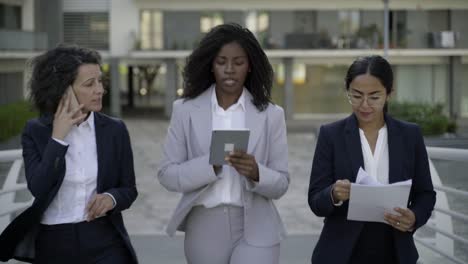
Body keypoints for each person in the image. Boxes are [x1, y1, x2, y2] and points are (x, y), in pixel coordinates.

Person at [157, 23, 289, 264]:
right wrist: (210, 165)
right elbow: (167, 174)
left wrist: (257, 172)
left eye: (238, 62)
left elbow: (281, 183)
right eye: (221, 62)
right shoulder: (185, 110)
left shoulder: (272, 114)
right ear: (210, 65)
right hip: (204, 224)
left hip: (258, 225)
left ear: (250, 65)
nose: (230, 70)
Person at [0, 44, 138, 264]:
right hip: (54, 242)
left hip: (105, 239)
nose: (100, 90)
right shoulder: (35, 131)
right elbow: (38, 187)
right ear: (63, 89)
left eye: (100, 81)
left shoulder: (115, 130)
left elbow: (129, 189)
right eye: (89, 84)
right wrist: (58, 138)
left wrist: (111, 199)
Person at [308, 55, 436, 264]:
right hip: (341, 254)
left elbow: (426, 194)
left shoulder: (410, 135)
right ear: (347, 90)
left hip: (395, 252)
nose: (364, 105)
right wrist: (334, 193)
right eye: (356, 96)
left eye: (374, 97)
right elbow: (315, 201)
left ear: (389, 93)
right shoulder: (331, 135)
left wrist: (414, 217)